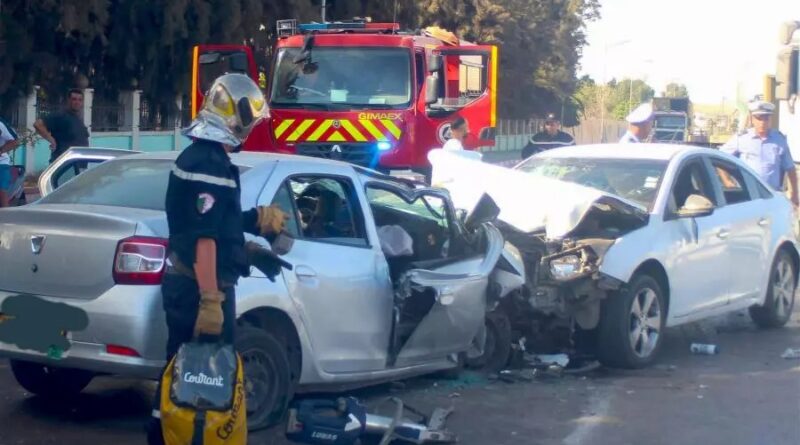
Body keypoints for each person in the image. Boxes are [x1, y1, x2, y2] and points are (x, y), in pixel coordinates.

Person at [146, 73, 289, 445]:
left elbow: (217, 225)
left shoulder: (206, 158)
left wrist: (253, 226)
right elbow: (203, 239)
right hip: (198, 291)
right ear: (236, 117)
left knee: (182, 373)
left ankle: (171, 436)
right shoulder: (207, 164)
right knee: (198, 379)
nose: (250, 130)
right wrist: (211, 300)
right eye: (250, 122)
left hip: (193, 284)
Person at [721, 100, 798, 205]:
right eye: (759, 119)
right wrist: (727, 181)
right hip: (748, 197)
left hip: (771, 196)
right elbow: (721, 158)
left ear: (770, 119)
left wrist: (794, 194)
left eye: (766, 119)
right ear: (752, 119)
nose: (762, 123)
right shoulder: (742, 139)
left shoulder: (779, 140)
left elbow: (790, 168)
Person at [33, 89, 90, 164]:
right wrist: (51, 140)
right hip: (65, 165)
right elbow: (38, 124)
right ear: (68, 100)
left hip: (79, 165)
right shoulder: (61, 116)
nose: (77, 102)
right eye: (74, 99)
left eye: (80, 100)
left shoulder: (78, 119)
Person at [0, 118, 21, 208]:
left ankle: (6, 215)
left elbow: (14, 141)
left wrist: (1, 151)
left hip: (1, 162)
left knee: (1, 189)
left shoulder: (0, 124)